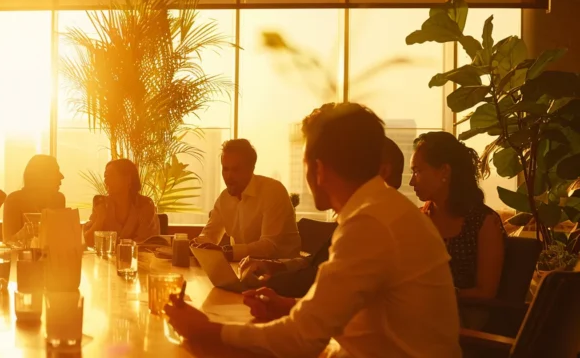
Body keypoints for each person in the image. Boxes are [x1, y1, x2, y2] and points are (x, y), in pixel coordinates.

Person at [164, 103, 461, 358]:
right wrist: (291, 305)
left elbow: (302, 340)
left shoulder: (370, 223)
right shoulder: (384, 209)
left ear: (317, 169)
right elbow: (368, 310)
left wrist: (210, 329)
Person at [237, 136, 406, 292]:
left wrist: (266, 284)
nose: (319, 178)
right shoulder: (365, 212)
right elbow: (317, 263)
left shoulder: (376, 222)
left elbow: (322, 283)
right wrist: (276, 266)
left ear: (383, 172)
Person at [411, 131, 505, 300]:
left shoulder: (483, 222)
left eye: (417, 171)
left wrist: (439, 296)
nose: (411, 181)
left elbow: (486, 292)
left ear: (444, 171)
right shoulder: (419, 219)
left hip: (468, 313)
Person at [191, 139, 301, 261]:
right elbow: (209, 235)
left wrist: (227, 252)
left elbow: (269, 246)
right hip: (245, 270)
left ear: (251, 168)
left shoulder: (273, 191)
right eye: (225, 169)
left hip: (284, 272)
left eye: (236, 170)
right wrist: (193, 245)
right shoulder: (224, 198)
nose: (228, 176)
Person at [84, 159, 160, 244]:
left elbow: (144, 242)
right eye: (106, 177)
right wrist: (100, 219)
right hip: (107, 257)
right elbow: (89, 241)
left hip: (138, 256)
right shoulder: (102, 203)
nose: (106, 181)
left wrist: (113, 243)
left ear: (128, 179)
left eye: (111, 176)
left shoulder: (144, 205)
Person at [3, 155, 67, 243]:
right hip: (23, 256)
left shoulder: (58, 199)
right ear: (42, 175)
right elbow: (7, 242)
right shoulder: (14, 200)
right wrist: (21, 235)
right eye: (55, 171)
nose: (62, 176)